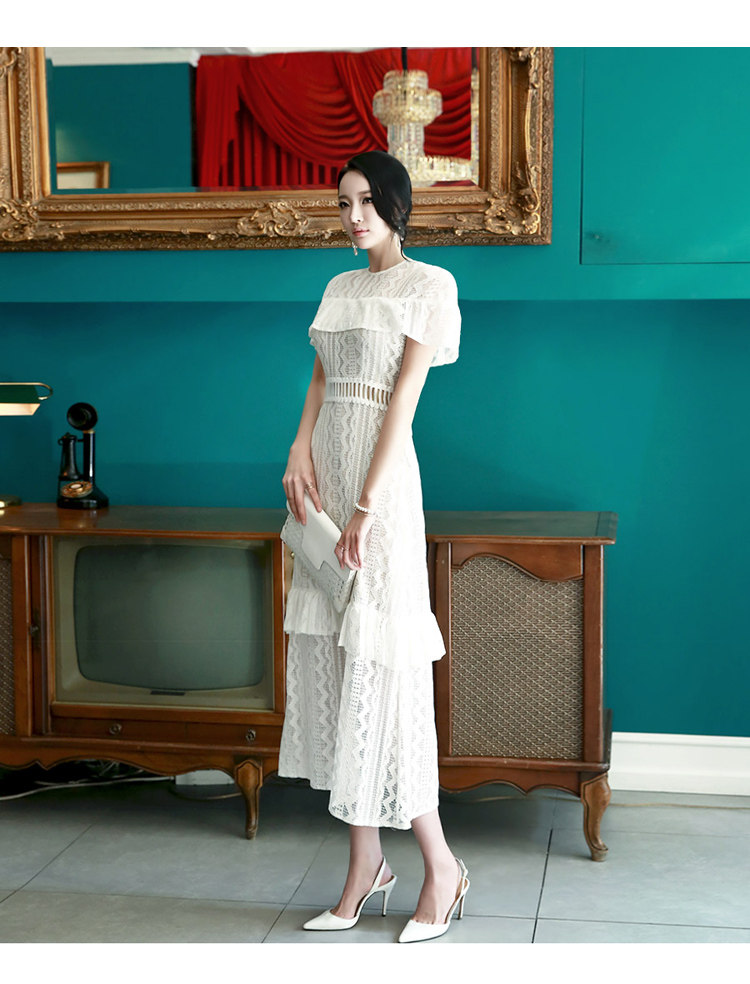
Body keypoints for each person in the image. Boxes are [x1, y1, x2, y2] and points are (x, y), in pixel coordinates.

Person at [278, 150, 468, 944]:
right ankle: (366, 866)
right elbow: (324, 380)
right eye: (344, 202)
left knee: (384, 671)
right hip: (325, 479)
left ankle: (441, 867)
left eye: (366, 201)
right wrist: (299, 448)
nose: (353, 216)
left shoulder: (430, 286)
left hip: (381, 492)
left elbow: (402, 404)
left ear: (396, 204)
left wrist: (365, 506)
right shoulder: (339, 287)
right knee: (336, 664)